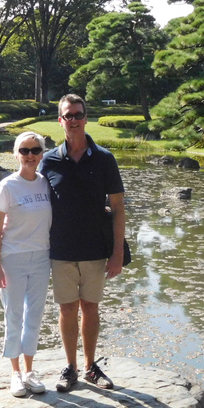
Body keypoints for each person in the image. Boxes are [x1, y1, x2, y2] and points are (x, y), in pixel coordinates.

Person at [39, 94, 126, 392]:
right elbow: (37, 205)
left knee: (90, 307)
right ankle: (71, 367)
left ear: (86, 117)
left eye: (78, 114)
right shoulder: (48, 160)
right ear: (60, 120)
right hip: (60, 249)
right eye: (68, 115)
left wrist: (117, 253)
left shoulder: (104, 159)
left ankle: (90, 367)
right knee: (66, 309)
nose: (73, 120)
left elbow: (118, 208)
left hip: (94, 249)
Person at [0, 131, 52, 397]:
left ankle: (29, 371)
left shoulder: (45, 183)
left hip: (42, 256)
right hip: (12, 258)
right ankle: (14, 373)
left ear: (42, 154)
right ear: (16, 154)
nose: (30, 156)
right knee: (14, 314)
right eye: (24, 151)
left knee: (35, 316)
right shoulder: (7, 186)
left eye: (35, 150)